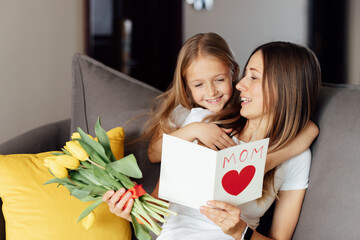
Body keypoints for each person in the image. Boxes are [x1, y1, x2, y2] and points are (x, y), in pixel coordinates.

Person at [104, 38, 321, 239]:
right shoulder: (203, 122)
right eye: (244, 74)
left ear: (285, 89)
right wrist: (129, 210)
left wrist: (241, 231)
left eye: (253, 77)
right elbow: (154, 215)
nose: (239, 85)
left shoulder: (296, 157)